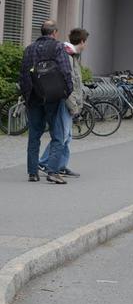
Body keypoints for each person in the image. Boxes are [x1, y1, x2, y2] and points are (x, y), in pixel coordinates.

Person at [19, 20, 73, 184]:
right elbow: (65, 71)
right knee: (57, 135)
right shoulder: (58, 47)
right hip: (53, 97)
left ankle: (32, 173)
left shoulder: (29, 49)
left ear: (41, 32)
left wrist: (27, 95)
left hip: (34, 97)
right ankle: (52, 172)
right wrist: (66, 92)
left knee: (34, 135)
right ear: (54, 32)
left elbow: (23, 75)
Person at [39, 28, 88, 179]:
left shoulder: (71, 54)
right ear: (82, 41)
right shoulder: (67, 54)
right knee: (63, 136)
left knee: (67, 136)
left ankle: (59, 165)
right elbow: (68, 82)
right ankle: (45, 162)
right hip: (65, 102)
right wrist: (73, 105)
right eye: (86, 42)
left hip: (68, 101)